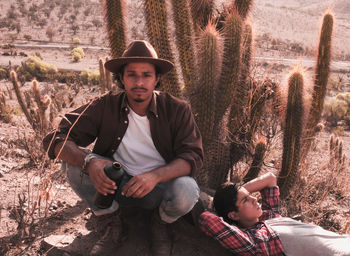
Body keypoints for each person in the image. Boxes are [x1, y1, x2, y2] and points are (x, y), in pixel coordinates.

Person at [43, 40, 203, 256]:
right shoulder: (105, 106)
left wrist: (154, 176)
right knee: (73, 167)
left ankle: (161, 222)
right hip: (115, 187)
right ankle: (112, 221)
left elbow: (192, 156)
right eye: (131, 75)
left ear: (157, 79)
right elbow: (56, 138)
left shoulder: (177, 110)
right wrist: (90, 162)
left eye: (146, 75)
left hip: (159, 190)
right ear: (121, 78)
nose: (139, 82)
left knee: (187, 189)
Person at [198, 172, 350, 256]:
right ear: (234, 215)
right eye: (246, 200)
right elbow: (208, 219)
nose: (253, 198)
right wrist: (216, 205)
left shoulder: (269, 215)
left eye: (250, 195)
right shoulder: (254, 242)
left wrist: (240, 192)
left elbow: (270, 178)